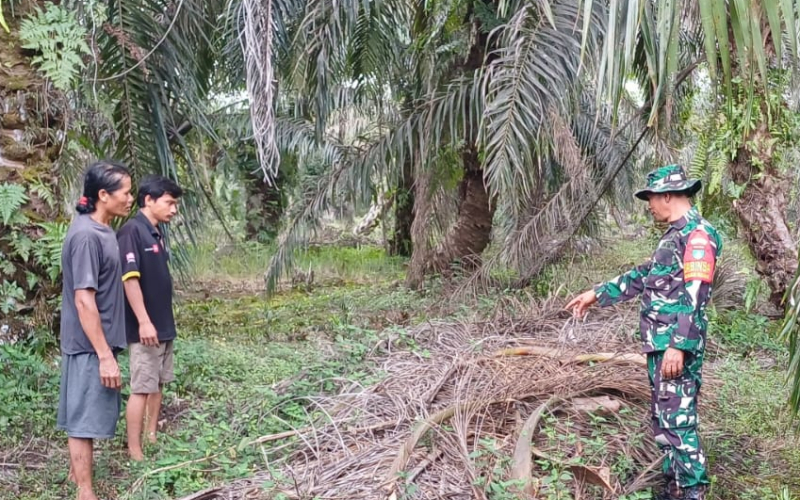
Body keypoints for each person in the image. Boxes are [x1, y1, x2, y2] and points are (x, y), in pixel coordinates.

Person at [566, 165, 722, 500]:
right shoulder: (675, 235)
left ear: (667, 196)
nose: (649, 205)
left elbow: (696, 294)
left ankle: (693, 492)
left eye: (651, 198)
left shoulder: (698, 236)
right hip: (660, 347)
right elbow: (646, 275)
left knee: (679, 422)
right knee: (664, 420)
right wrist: (597, 294)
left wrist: (678, 346)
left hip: (673, 349)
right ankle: (673, 487)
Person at [58, 160, 133, 500]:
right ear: (103, 195)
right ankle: (84, 493)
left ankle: (80, 481)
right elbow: (84, 300)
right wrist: (104, 356)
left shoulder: (102, 231)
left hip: (98, 344)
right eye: (126, 193)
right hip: (90, 346)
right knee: (83, 421)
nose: (130, 198)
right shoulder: (87, 236)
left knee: (88, 415)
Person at [117, 175, 183, 461]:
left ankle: (151, 434)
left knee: (158, 384)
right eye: (169, 202)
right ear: (149, 200)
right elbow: (130, 280)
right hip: (145, 327)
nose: (174, 209)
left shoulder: (157, 233)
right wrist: (143, 321)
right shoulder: (131, 232)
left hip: (163, 325)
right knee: (141, 387)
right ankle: (135, 449)